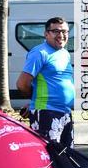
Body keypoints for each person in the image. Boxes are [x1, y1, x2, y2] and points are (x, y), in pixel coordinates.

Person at [16, 17, 75, 149]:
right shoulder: (39, 53)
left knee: (67, 158)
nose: (61, 35)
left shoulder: (64, 53)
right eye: (56, 31)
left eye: (65, 31)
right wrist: (35, 100)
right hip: (47, 114)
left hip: (65, 113)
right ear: (46, 34)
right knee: (48, 158)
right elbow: (22, 84)